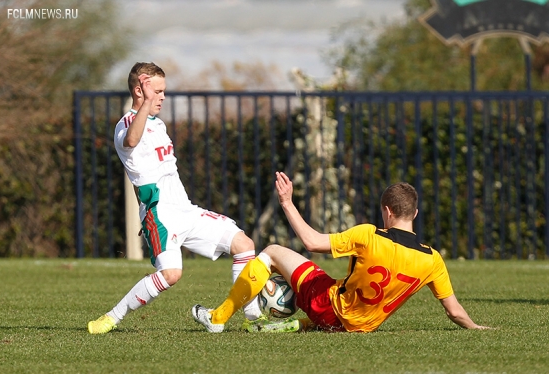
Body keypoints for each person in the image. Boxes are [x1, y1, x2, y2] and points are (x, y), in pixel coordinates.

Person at [192, 171, 490, 333]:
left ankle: (218, 318)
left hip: (330, 309)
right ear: (415, 213)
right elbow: (454, 312)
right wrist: (478, 327)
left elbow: (311, 242)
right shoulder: (432, 259)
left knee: (270, 252)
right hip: (363, 327)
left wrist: (287, 203)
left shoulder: (369, 235)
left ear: (387, 211)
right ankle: (294, 324)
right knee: (336, 287)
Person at [87, 62, 261, 334]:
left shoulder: (159, 124)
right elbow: (131, 142)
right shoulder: (125, 125)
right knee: (171, 275)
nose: (163, 97)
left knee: (244, 245)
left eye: (163, 91)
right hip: (160, 214)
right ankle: (112, 317)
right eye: (157, 91)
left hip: (185, 210)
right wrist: (144, 102)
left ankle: (252, 318)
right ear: (139, 90)